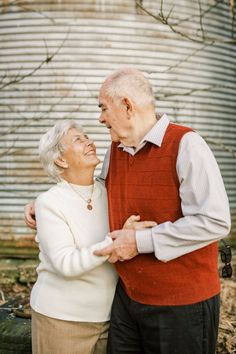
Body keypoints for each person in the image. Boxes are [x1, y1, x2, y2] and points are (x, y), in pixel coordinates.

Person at [25, 68, 231, 354]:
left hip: (180, 305)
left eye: (103, 108)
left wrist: (139, 241)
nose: (100, 118)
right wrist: (46, 202)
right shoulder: (115, 151)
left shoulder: (186, 144)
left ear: (126, 106)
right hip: (126, 302)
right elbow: (93, 187)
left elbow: (215, 221)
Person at [29, 119, 156, 354]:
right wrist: (117, 241)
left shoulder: (110, 192)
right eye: (78, 139)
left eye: (87, 136)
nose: (90, 142)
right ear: (60, 160)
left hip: (110, 319)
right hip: (61, 320)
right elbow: (66, 263)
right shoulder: (49, 203)